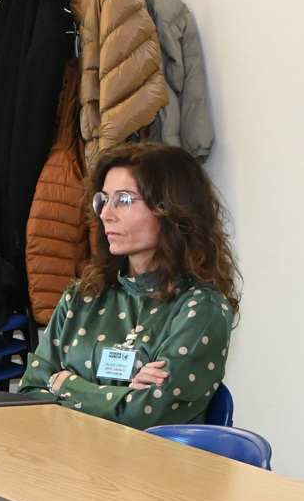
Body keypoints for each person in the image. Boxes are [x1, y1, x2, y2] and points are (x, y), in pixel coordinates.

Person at [18, 143, 239, 428]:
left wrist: (64, 384)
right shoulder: (84, 295)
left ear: (170, 209)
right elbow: (30, 392)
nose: (105, 214)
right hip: (69, 451)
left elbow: (144, 414)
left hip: (149, 456)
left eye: (123, 200)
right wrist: (122, 395)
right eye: (104, 200)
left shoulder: (202, 308)